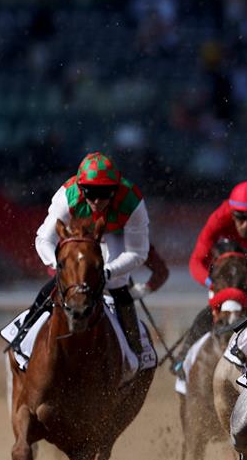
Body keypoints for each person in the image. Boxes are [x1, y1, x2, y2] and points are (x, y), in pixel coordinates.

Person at [21, 152, 153, 356]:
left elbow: (138, 253)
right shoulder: (67, 197)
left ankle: (136, 351)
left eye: (105, 193)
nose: (98, 201)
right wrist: (62, 267)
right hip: (77, 241)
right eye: (90, 192)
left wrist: (108, 272)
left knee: (118, 284)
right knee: (58, 284)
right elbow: (44, 239)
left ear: (116, 189)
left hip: (114, 235)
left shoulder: (131, 200)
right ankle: (23, 336)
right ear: (81, 189)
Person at [172, 180, 247, 371]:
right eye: (240, 217)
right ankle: (183, 356)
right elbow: (196, 262)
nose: (245, 225)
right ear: (231, 213)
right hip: (225, 279)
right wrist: (215, 285)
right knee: (209, 315)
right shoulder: (219, 217)